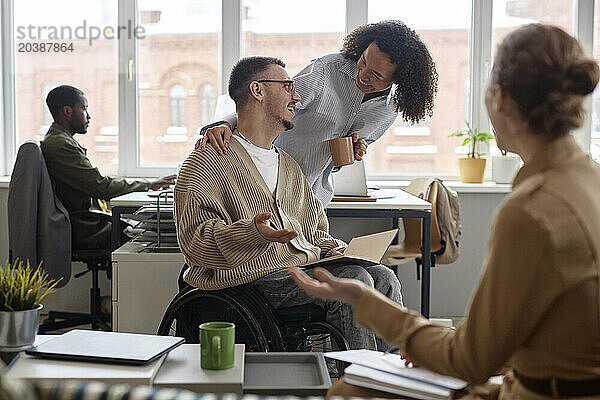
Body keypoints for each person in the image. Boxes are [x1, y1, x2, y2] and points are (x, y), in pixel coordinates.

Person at [289, 24, 600, 400]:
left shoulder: (530, 211)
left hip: (541, 392)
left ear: (498, 98)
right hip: (541, 381)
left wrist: (367, 303)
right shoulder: (587, 180)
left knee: (348, 392)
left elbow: (469, 360)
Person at [175, 56, 403, 350]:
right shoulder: (207, 161)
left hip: (297, 268)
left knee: (383, 276)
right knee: (354, 280)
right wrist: (253, 233)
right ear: (257, 91)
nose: (297, 96)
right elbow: (196, 244)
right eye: (287, 87)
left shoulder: (290, 166)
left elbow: (314, 231)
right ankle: (359, 386)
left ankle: (393, 376)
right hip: (252, 276)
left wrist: (338, 250)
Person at [197, 20, 438, 206]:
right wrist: (225, 124)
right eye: (363, 61)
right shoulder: (327, 70)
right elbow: (270, 103)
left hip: (314, 198)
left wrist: (353, 152)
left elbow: (334, 163)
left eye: (376, 75)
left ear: (398, 79)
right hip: (269, 185)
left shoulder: (388, 110)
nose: (362, 74)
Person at [41, 85, 175, 251]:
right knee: (153, 240)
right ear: (67, 111)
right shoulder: (61, 145)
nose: (88, 116)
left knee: (151, 230)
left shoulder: (60, 140)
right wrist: (149, 184)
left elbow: (97, 182)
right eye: (83, 108)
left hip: (88, 220)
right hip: (86, 227)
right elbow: (101, 187)